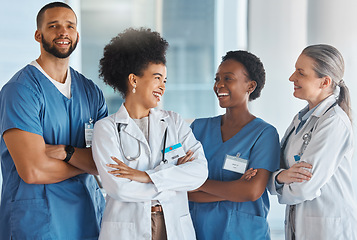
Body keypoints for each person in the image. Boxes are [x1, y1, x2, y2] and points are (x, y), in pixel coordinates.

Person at [0, 2, 107, 239]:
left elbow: (105, 163)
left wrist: (65, 152)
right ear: (39, 35)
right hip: (37, 222)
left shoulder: (91, 92)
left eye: (70, 26)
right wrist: (83, 163)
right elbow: (33, 170)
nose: (63, 32)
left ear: (77, 35)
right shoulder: (21, 90)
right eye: (54, 26)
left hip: (87, 217)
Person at [91, 28, 208, 240]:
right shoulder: (106, 128)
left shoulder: (173, 121)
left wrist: (145, 176)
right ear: (134, 80)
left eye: (165, 80)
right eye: (157, 78)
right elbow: (118, 188)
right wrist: (173, 178)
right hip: (128, 229)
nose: (162, 86)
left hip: (174, 226)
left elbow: (200, 173)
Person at [268, 44, 357, 240]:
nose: (292, 78)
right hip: (299, 226)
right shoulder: (301, 119)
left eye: (301, 73)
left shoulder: (334, 122)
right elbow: (277, 169)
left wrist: (277, 181)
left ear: (324, 82)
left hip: (329, 230)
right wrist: (281, 177)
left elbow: (304, 187)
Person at [188, 50, 280, 239]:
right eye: (217, 78)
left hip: (244, 233)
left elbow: (252, 191)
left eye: (228, 78)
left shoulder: (264, 134)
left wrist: (201, 184)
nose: (219, 85)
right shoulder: (198, 128)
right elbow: (183, 189)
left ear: (250, 86)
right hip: (199, 231)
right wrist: (236, 189)